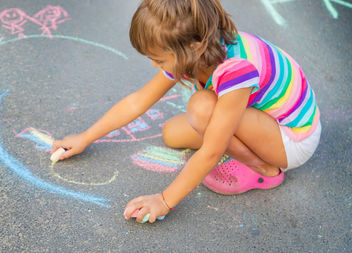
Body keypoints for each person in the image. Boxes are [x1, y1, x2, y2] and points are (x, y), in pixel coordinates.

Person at [52, 0, 321, 223]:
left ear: (194, 47)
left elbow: (212, 152)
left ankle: (263, 169)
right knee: (172, 133)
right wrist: (86, 137)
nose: (155, 64)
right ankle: (247, 151)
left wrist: (164, 200)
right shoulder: (193, 47)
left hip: (292, 140)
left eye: (158, 59)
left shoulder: (236, 68)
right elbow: (139, 100)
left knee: (201, 107)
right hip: (262, 121)